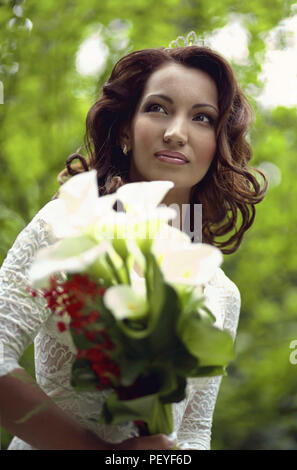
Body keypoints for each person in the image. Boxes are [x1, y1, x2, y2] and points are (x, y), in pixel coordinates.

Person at [0, 33, 267, 450]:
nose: (176, 132)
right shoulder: (65, 226)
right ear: (126, 129)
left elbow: (194, 433)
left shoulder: (222, 293)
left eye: (202, 118)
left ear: (218, 146)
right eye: (158, 109)